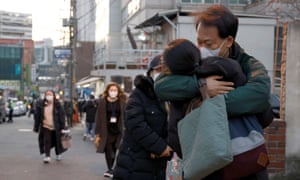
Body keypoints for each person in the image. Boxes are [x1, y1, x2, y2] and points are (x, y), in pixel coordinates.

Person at [154, 5, 271, 180]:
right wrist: (201, 86)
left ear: (229, 41)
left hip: (242, 163)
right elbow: (162, 85)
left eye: (208, 43)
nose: (201, 48)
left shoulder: (249, 65)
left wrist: (209, 107)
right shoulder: (191, 59)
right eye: (199, 41)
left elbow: (259, 94)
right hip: (200, 164)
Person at [113, 55, 172, 180]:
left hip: (163, 162)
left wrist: (167, 147)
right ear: (150, 72)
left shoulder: (173, 96)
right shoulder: (138, 95)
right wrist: (159, 147)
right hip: (135, 160)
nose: (162, 74)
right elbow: (136, 124)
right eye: (159, 70)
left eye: (166, 71)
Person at [94, 82, 127, 178]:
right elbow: (98, 117)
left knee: (116, 148)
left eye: (115, 90)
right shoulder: (102, 102)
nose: (113, 92)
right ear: (107, 91)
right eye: (111, 90)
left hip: (118, 129)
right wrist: (97, 133)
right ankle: (110, 168)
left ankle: (113, 167)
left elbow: (125, 115)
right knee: (108, 150)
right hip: (106, 129)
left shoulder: (122, 102)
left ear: (118, 91)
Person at [33, 90, 67, 163]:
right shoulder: (41, 104)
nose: (49, 96)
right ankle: (47, 156)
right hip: (45, 126)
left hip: (56, 126)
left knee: (57, 141)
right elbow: (37, 116)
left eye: (50, 94)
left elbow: (62, 116)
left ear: (53, 95)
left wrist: (63, 126)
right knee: (46, 141)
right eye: (47, 94)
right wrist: (36, 127)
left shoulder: (57, 105)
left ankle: (58, 153)